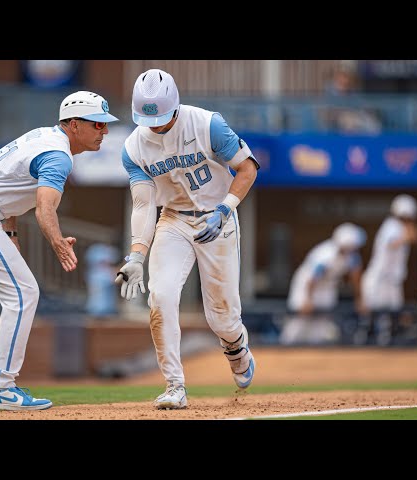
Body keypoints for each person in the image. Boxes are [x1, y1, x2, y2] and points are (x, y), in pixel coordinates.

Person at [0, 90, 118, 409]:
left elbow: (12, 183)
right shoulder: (58, 155)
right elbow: (45, 210)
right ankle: (3, 387)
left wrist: (12, 231)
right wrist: (58, 243)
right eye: (98, 124)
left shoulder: (44, 137)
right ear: (74, 125)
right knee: (24, 293)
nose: (105, 131)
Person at [115, 68, 260, 409]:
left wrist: (225, 208)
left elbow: (248, 168)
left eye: (161, 118)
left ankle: (237, 349)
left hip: (217, 218)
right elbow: (143, 204)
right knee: (160, 297)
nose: (155, 125)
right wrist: (136, 255)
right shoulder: (133, 147)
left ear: (175, 107)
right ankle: (174, 386)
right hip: (174, 219)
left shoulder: (208, 124)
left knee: (221, 318)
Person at [280, 223, 367, 345]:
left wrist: (360, 300)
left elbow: (356, 278)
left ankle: (314, 354)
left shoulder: (352, 256)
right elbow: (312, 280)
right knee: (299, 319)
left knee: (322, 322)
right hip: (306, 284)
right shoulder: (325, 254)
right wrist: (307, 300)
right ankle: (284, 347)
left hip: (328, 286)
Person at [361, 194, 417, 344]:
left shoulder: (399, 226)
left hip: (391, 280)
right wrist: (407, 231)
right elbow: (393, 243)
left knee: (392, 315)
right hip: (380, 278)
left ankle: (386, 344)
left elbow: (416, 237)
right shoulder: (391, 225)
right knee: (374, 315)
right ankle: (365, 343)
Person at [84, 243, 119, 317]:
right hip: (100, 312)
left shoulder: (92, 273)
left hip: (97, 310)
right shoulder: (99, 274)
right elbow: (119, 275)